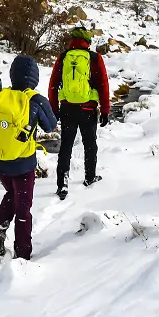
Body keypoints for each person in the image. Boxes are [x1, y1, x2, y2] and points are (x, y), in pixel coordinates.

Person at [0, 54, 57, 260]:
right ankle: (22, 255)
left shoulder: (1, 96)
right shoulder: (36, 100)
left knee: (12, 194)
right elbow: (50, 126)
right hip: (22, 163)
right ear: (35, 78)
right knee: (23, 209)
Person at [48, 26, 110, 200]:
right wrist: (105, 110)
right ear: (87, 41)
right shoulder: (94, 58)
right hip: (88, 109)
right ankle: (90, 177)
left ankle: (62, 184)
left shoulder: (63, 57)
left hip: (67, 108)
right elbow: (103, 85)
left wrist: (54, 109)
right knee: (90, 144)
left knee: (66, 145)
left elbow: (53, 84)